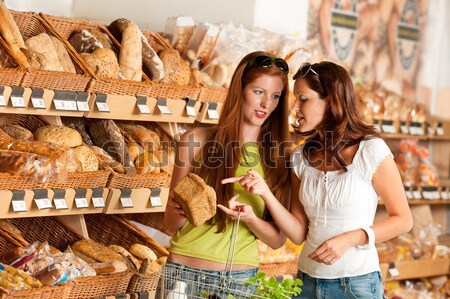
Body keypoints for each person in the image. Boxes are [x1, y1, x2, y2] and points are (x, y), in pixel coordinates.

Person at [221, 61, 413, 298]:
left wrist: (351, 238)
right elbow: (299, 233)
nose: (295, 108)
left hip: (356, 285)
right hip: (307, 283)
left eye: (303, 99)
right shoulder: (301, 157)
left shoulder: (371, 150)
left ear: (331, 101)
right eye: (295, 99)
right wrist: (264, 193)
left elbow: (403, 219)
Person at [163, 51, 292, 298]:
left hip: (238, 281)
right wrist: (184, 206)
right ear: (239, 90)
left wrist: (250, 218)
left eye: (275, 96)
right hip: (182, 273)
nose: (267, 104)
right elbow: (170, 223)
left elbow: (277, 241)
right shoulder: (195, 141)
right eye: (258, 92)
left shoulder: (278, 159)